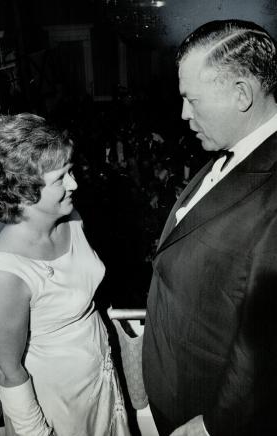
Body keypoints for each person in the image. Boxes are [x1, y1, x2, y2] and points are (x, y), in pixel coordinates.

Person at [143, 19, 277, 436]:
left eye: (192, 100)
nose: (184, 114)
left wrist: (215, 425)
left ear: (241, 94)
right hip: (177, 393)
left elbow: (268, 342)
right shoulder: (230, 149)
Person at [0, 113, 131, 436]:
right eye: (61, 178)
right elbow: (8, 373)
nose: (74, 184)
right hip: (57, 407)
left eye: (70, 171)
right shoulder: (2, 277)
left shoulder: (71, 218)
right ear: (22, 190)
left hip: (97, 386)